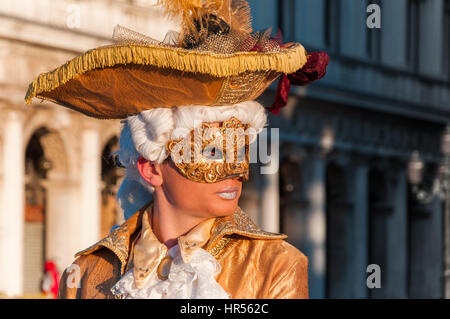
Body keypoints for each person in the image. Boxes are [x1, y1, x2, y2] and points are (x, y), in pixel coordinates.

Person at [25, 0, 328, 299]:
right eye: (212, 152)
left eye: (240, 151)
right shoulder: (87, 273)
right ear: (151, 168)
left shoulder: (275, 267)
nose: (237, 171)